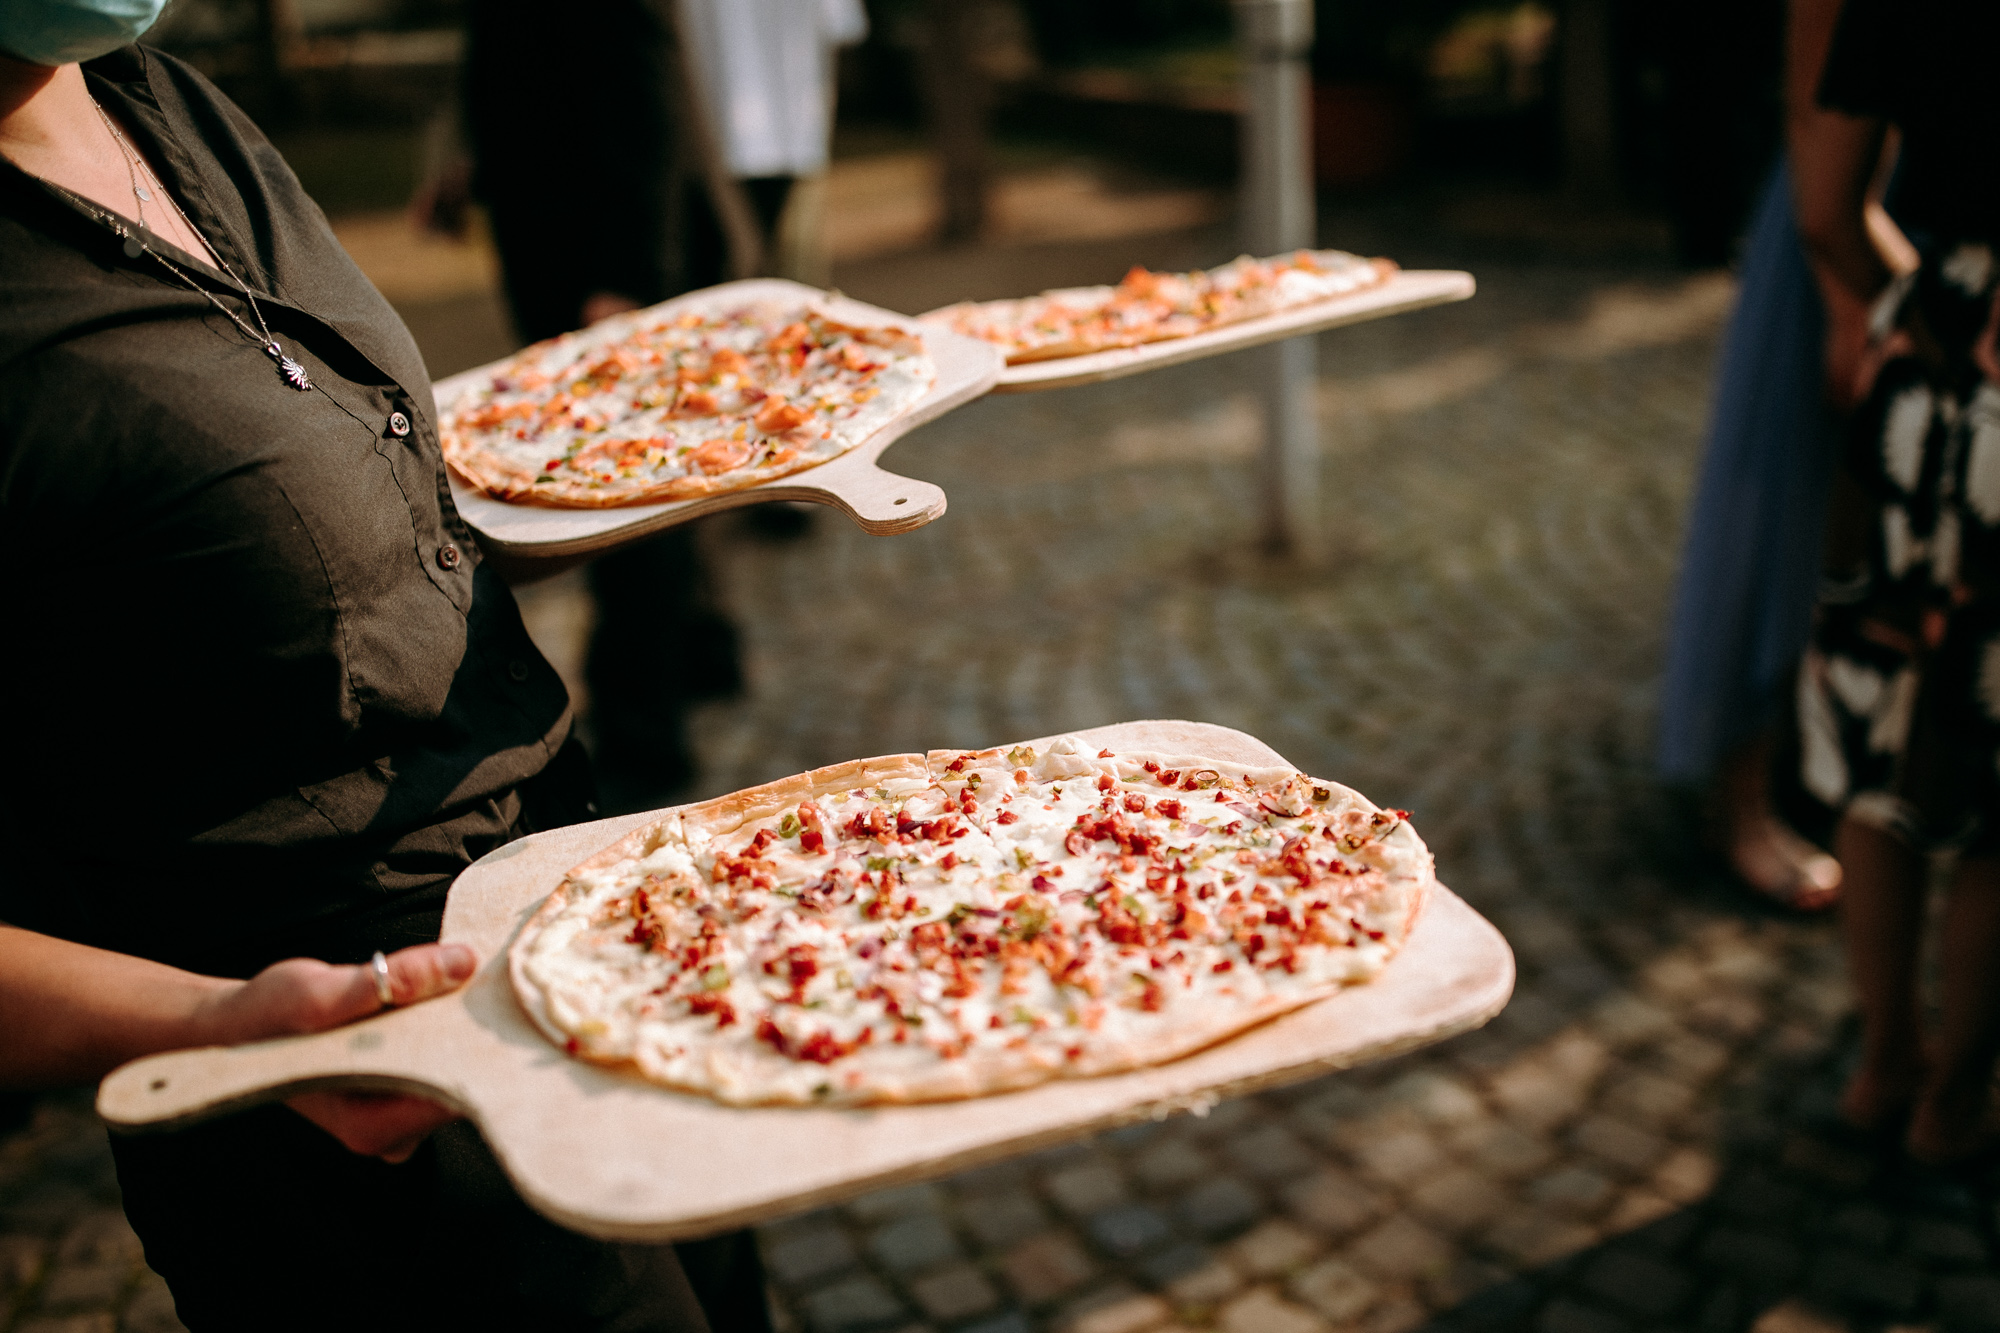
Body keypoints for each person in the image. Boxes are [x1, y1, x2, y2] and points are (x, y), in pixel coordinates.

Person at [0, 3, 761, 1326]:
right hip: (362, 1106)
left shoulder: (159, 100)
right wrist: (206, 1028)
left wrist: (648, 470)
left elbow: (366, 514)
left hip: (588, 947)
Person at [1789, 0, 2000, 1161]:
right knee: (1992, 785)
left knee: (1882, 739)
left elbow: (1825, 211)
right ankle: (1956, 1100)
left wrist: (1924, 305)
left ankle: (1883, 1064)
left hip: (1916, 374)